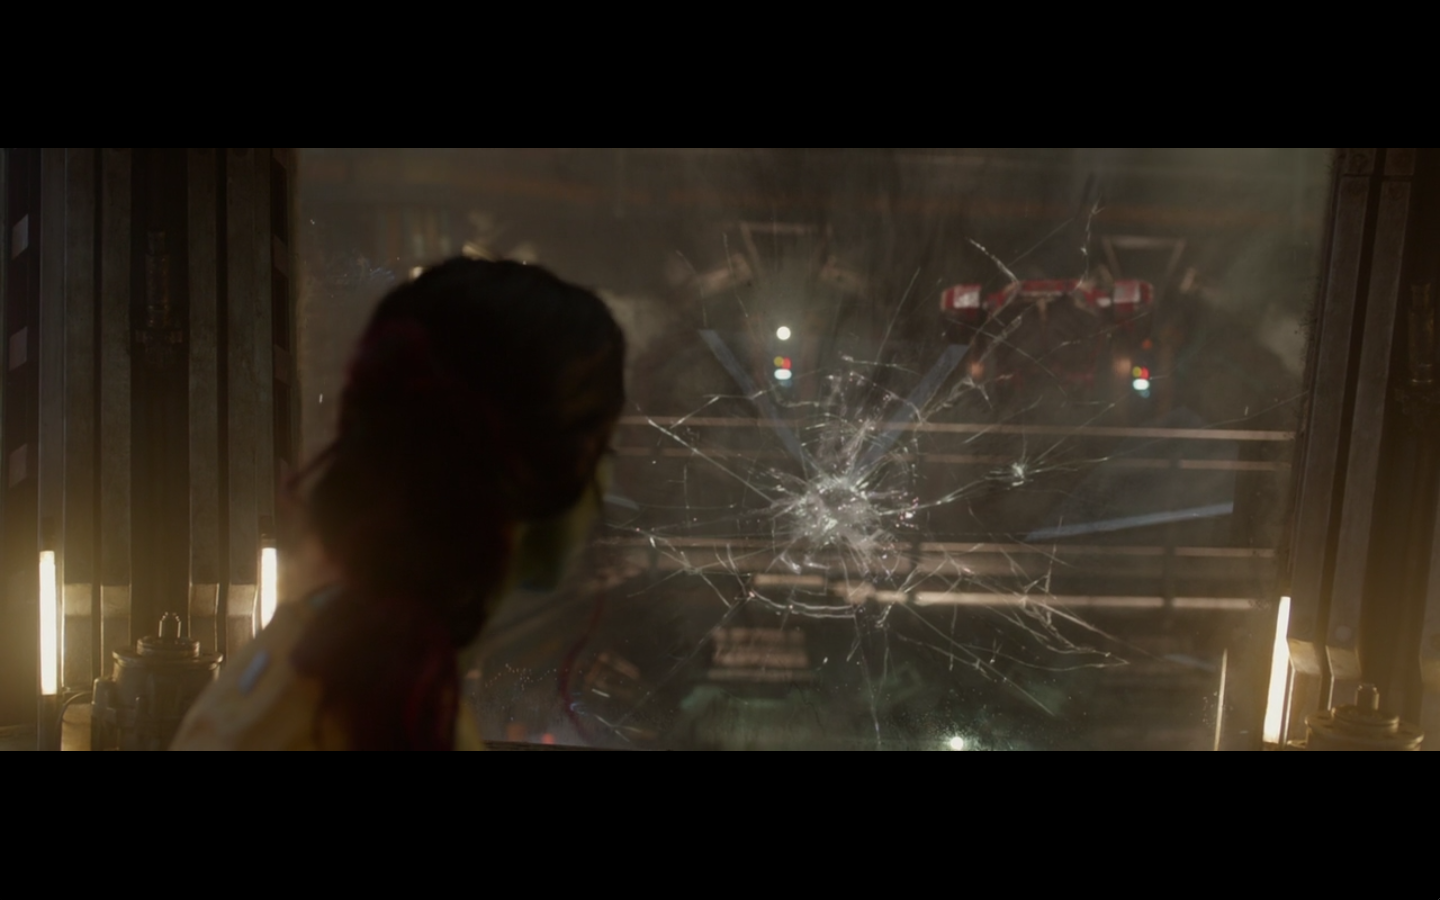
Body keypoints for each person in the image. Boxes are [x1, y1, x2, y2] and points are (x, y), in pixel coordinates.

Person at [171, 258, 626, 750]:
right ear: (537, 470)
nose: (607, 480)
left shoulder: (309, 657)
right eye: (602, 448)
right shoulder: (391, 719)